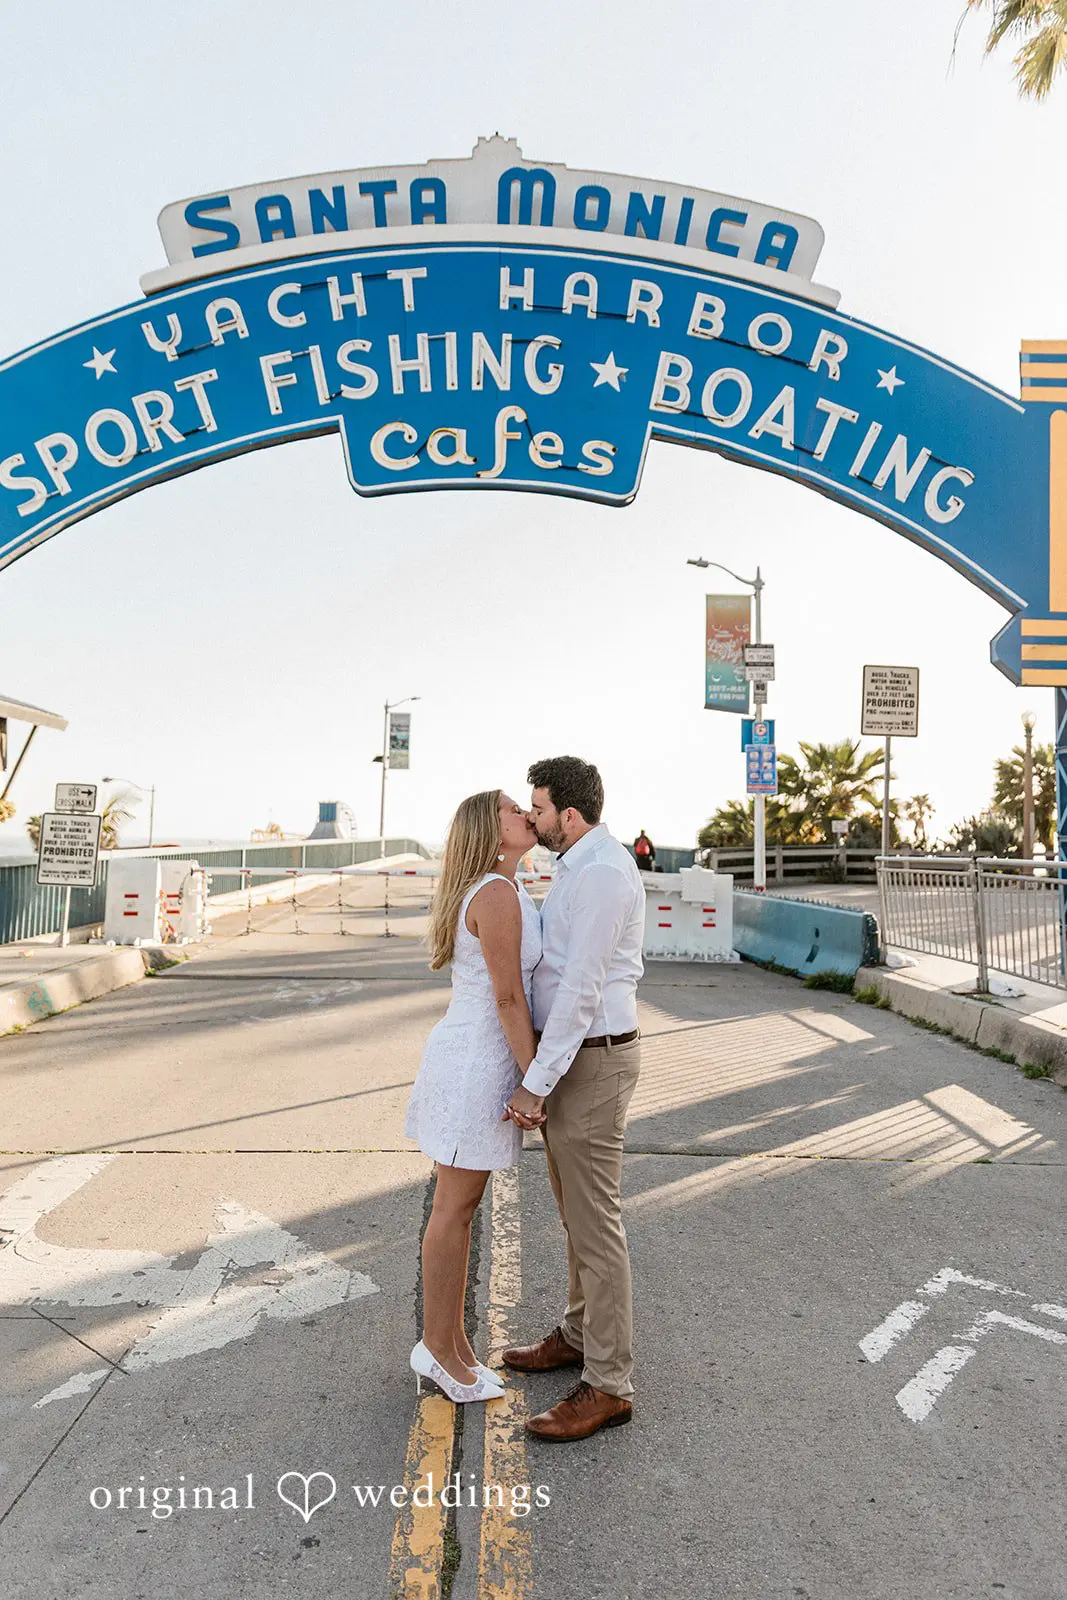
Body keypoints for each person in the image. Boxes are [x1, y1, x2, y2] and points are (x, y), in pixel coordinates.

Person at [501, 756, 646, 1442]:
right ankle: (578, 1333)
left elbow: (582, 990)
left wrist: (535, 1081)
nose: (531, 817)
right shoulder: (571, 869)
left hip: (593, 1063)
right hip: (575, 1064)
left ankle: (608, 1384)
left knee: (595, 1224)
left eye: (538, 807)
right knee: (575, 1217)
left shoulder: (603, 874)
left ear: (570, 814)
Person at [403, 790, 543, 1404]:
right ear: (492, 830)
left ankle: (451, 1344)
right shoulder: (495, 893)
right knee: (454, 1210)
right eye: (515, 809)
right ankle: (437, 1350)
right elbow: (509, 997)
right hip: (473, 1065)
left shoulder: (501, 889)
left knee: (459, 1208)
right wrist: (534, 1082)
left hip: (471, 1057)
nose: (527, 815)